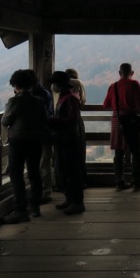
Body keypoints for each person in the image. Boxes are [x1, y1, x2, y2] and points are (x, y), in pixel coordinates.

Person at [0, 70, 48, 223]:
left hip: (18, 141)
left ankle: (20, 209)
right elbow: (44, 119)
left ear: (15, 85)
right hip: (35, 140)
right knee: (34, 172)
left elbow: (5, 121)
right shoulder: (39, 101)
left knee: (16, 174)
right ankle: (35, 206)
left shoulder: (14, 101)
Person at [103, 63, 140, 191]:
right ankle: (137, 182)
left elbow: (106, 104)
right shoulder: (134, 84)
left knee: (118, 152)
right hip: (132, 120)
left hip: (117, 120)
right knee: (137, 152)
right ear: (132, 72)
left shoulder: (113, 86)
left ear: (119, 73)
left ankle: (120, 182)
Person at [48, 71, 86, 214]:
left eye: (54, 84)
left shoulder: (69, 99)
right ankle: (70, 199)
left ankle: (77, 202)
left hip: (69, 140)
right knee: (66, 170)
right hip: (64, 139)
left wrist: (50, 120)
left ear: (59, 84)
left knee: (72, 172)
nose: (53, 87)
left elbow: (70, 120)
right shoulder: (65, 97)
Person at [30, 71, 55, 201]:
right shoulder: (44, 93)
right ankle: (44, 190)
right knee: (44, 162)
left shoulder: (39, 96)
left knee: (44, 162)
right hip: (44, 132)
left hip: (41, 133)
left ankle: (45, 191)